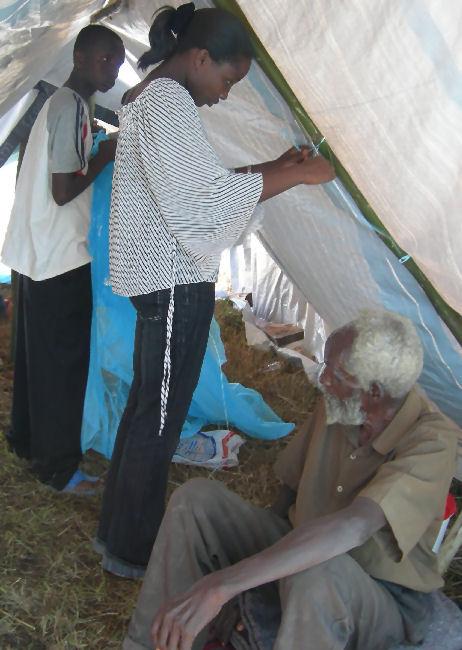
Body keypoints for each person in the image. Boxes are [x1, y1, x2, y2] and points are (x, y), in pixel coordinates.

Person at [94, 2, 335, 578]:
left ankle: (116, 534)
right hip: (175, 283)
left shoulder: (152, 97)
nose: (225, 94)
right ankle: (132, 552)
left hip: (161, 281)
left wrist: (272, 166)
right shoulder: (168, 103)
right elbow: (203, 214)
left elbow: (200, 190)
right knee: (159, 418)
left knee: (144, 410)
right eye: (226, 79)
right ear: (200, 58)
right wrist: (296, 175)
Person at [122, 309, 458, 650]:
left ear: (373, 392)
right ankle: (148, 644)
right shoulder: (341, 403)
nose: (322, 378)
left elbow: (355, 527)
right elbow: (288, 493)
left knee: (317, 575)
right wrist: (253, 588)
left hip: (379, 596)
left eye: (336, 372)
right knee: (194, 502)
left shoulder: (433, 441)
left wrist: (222, 586)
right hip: (301, 560)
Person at [1, 25, 125, 493]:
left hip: (33, 252)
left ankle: (25, 439)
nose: (112, 68)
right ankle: (57, 468)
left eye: (116, 60)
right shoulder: (72, 107)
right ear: (79, 56)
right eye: (104, 60)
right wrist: (106, 153)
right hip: (59, 257)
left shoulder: (61, 105)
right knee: (63, 366)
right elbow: (63, 189)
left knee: (35, 357)